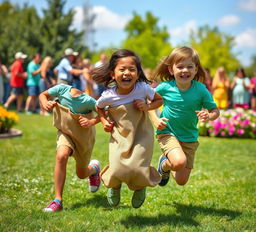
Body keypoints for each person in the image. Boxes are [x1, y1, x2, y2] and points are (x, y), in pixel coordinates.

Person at [92, 49, 162, 208]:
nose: (127, 73)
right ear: (112, 74)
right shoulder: (108, 95)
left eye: (132, 69)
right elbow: (99, 107)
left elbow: (159, 100)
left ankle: (140, 187)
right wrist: (103, 121)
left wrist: (147, 106)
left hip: (141, 134)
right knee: (117, 166)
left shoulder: (143, 88)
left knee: (138, 166)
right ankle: (114, 186)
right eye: (122, 69)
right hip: (120, 135)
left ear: (138, 74)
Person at [149, 46, 219, 188]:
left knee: (181, 181)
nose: (185, 70)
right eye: (180, 67)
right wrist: (155, 120)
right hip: (167, 132)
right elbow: (148, 102)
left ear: (195, 69)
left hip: (189, 137)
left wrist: (209, 115)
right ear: (171, 69)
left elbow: (215, 110)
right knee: (179, 162)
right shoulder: (165, 87)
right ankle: (170, 161)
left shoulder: (201, 90)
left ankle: (165, 164)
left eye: (189, 67)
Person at [39, 83, 101, 212]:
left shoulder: (88, 100)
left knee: (81, 174)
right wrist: (45, 103)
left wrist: (91, 122)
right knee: (61, 156)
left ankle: (94, 169)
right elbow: (43, 95)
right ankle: (57, 200)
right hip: (65, 132)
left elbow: (104, 113)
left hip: (84, 139)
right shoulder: (62, 88)